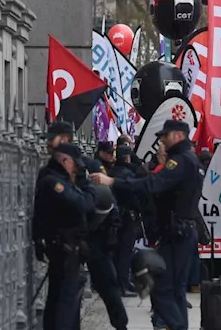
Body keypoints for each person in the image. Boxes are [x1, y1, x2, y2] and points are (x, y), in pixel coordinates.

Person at [92, 120, 203, 330]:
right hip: (183, 231)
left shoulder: (180, 162)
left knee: (162, 289)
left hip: (177, 233)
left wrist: (113, 182)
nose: (162, 139)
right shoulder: (191, 160)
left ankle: (178, 326)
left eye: (165, 135)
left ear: (178, 136)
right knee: (176, 290)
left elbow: (151, 184)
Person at [34, 142, 97, 330]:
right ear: (63, 160)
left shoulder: (60, 179)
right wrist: (87, 184)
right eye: (74, 164)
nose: (76, 168)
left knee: (63, 301)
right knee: (64, 303)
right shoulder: (55, 182)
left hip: (68, 249)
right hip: (63, 250)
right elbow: (84, 204)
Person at [82, 157, 129, 330]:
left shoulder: (91, 170)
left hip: (97, 240)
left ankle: (120, 324)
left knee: (108, 285)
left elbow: (110, 205)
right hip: (86, 239)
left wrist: (111, 233)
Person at [112, 145, 141, 295]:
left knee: (117, 250)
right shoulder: (129, 173)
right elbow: (135, 194)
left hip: (115, 217)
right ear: (128, 158)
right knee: (125, 251)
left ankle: (120, 282)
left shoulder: (112, 172)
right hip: (128, 216)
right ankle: (123, 283)